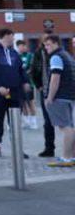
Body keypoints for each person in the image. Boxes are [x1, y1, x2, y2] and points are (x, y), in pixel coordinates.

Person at [0, 28, 32, 158]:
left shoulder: (13, 52)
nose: (13, 38)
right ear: (6, 36)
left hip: (15, 91)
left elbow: (21, 69)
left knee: (15, 121)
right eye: (12, 36)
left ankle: (17, 148)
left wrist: (25, 81)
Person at [41, 35, 75, 167]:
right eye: (45, 45)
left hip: (59, 97)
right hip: (70, 96)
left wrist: (50, 97)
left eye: (48, 44)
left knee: (65, 127)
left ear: (56, 43)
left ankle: (66, 157)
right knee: (70, 127)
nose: (46, 47)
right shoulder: (67, 55)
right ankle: (72, 156)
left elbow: (55, 78)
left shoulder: (56, 57)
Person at [30, 39, 56, 158]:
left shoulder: (57, 54)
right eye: (45, 44)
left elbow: (34, 70)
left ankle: (51, 148)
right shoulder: (40, 53)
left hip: (52, 91)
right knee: (49, 121)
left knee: (64, 124)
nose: (46, 47)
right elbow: (34, 70)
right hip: (45, 90)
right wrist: (38, 85)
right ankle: (49, 147)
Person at [16, 39, 38, 129]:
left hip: (29, 83)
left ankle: (34, 122)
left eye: (22, 46)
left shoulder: (30, 56)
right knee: (23, 103)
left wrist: (24, 74)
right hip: (19, 84)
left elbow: (31, 69)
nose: (21, 48)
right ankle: (26, 120)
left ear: (25, 46)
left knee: (30, 102)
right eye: (19, 46)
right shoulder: (16, 56)